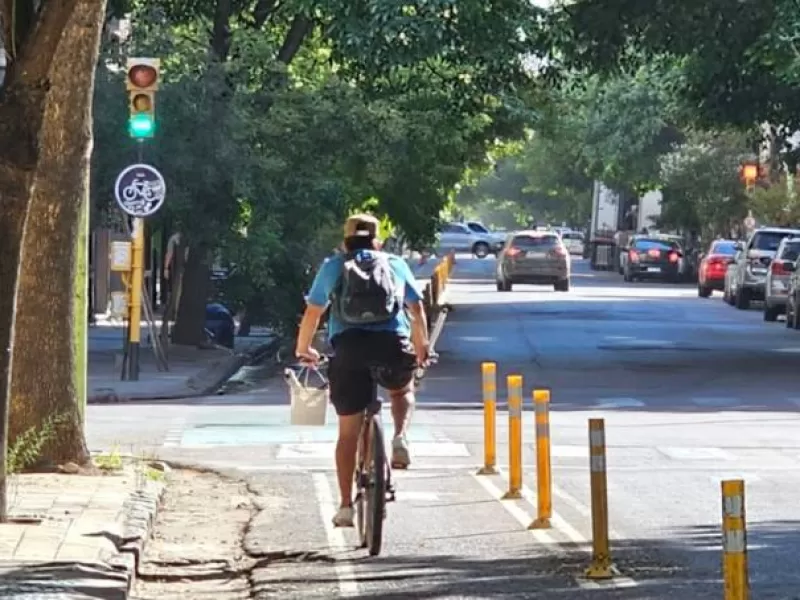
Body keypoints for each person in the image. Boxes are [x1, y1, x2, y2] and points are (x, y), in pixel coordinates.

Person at [295, 214, 430, 527]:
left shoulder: (334, 266)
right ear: (377, 241)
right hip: (392, 345)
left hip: (349, 348)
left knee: (348, 432)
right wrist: (421, 347)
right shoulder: (394, 263)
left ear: (345, 242)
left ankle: (345, 507)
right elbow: (416, 308)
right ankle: (399, 438)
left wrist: (304, 349)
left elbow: (314, 310)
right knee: (402, 389)